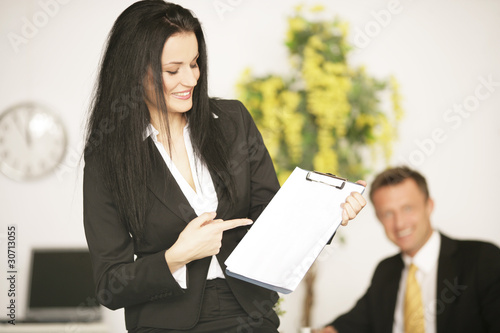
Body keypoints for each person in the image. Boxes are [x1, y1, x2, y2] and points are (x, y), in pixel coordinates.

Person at [83, 1, 366, 332]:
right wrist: (177, 255)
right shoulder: (107, 158)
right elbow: (110, 284)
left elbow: (273, 223)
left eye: (194, 63)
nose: (190, 79)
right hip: (166, 324)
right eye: (172, 70)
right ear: (134, 71)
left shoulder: (232, 121)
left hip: (249, 314)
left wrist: (327, 214)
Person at [320, 166, 500, 333]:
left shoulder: (482, 259)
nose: (399, 224)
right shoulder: (385, 271)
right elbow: (346, 326)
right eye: (388, 213)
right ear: (378, 218)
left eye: (407, 208)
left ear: (429, 206)